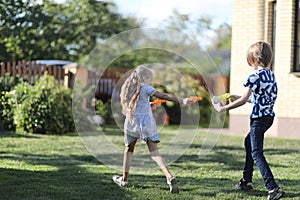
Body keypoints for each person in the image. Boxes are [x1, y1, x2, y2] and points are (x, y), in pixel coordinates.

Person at [212, 41, 284, 200]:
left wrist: (223, 109)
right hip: (268, 117)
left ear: (256, 58)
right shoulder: (270, 75)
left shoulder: (255, 76)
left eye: (250, 60)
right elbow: (258, 99)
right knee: (248, 143)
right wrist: (238, 97)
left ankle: (273, 188)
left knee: (257, 152)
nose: (250, 64)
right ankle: (246, 181)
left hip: (258, 119)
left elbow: (245, 100)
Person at [112, 64, 193, 193]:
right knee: (155, 153)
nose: (151, 81)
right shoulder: (145, 87)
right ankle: (169, 176)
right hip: (146, 124)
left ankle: (124, 180)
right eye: (150, 78)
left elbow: (134, 104)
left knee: (128, 151)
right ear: (144, 77)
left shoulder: (128, 88)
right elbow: (164, 96)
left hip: (132, 124)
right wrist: (182, 100)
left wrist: (147, 104)